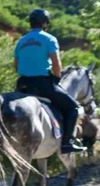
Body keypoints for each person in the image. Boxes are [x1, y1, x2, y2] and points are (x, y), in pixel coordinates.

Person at [14, 9, 87, 153]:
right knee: (73, 108)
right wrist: (56, 78)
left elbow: (16, 66)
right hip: (43, 84)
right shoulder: (49, 39)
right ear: (45, 23)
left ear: (30, 23)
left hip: (22, 85)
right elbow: (56, 64)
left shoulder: (21, 41)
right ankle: (66, 143)